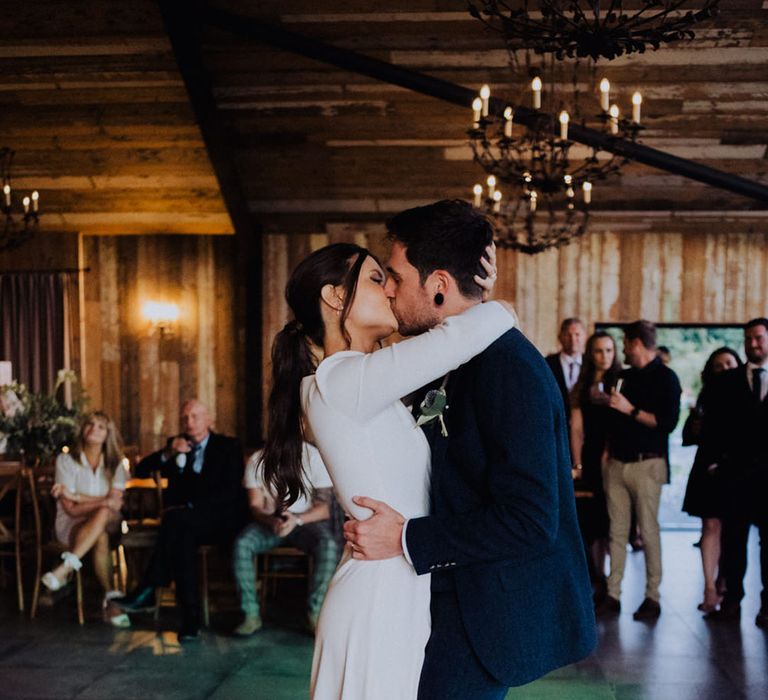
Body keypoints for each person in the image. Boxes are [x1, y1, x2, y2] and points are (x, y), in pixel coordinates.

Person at [340, 200, 596, 700]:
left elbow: (531, 519)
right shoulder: (449, 356)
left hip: (482, 615)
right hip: (443, 595)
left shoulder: (508, 368)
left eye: (394, 275)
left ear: (437, 283)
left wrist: (407, 538)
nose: (389, 289)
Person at [260, 228, 513, 699]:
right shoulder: (341, 381)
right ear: (336, 297)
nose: (392, 289)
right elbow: (474, 330)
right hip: (377, 594)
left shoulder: (363, 383)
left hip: (399, 581)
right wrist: (484, 298)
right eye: (378, 278)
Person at [117, 399, 247, 642]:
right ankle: (190, 619)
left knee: (177, 522)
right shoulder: (175, 445)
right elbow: (142, 470)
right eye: (185, 418)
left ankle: (149, 589)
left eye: (195, 416)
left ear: (209, 420)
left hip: (218, 521)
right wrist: (169, 453)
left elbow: (230, 492)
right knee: (182, 537)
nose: (189, 422)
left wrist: (192, 506)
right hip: (185, 525)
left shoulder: (228, 446)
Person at [597, 320, 681, 621]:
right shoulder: (622, 376)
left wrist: (628, 409)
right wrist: (606, 456)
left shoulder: (667, 378)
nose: (623, 350)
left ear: (636, 343)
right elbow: (611, 422)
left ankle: (652, 597)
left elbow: (667, 424)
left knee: (648, 531)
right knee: (616, 531)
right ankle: (613, 594)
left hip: (648, 464)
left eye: (625, 343)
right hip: (617, 463)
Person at [232, 442, 341, 636]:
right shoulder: (257, 459)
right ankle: (250, 615)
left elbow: (323, 510)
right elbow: (255, 506)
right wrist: (271, 520)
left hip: (306, 522)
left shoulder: (314, 457)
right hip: (271, 522)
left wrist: (296, 519)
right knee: (242, 544)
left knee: (329, 546)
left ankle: (315, 614)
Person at [704, 319, 768, 628]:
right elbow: (713, 426)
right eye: (748, 339)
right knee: (733, 540)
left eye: (758, 338)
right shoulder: (726, 382)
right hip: (735, 473)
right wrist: (715, 463)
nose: (753, 344)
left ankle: (767, 604)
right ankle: (732, 599)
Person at [41, 411, 129, 625]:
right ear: (82, 429)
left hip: (111, 524)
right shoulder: (66, 460)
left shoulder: (116, 462)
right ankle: (111, 600)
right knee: (100, 532)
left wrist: (77, 497)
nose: (94, 430)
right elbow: (71, 510)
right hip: (71, 525)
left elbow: (115, 504)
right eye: (90, 424)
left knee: (105, 515)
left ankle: (65, 569)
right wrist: (103, 501)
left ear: (108, 433)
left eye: (101, 426)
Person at [681, 347, 742, 613]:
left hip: (736, 466)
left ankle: (725, 581)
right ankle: (709, 587)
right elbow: (689, 434)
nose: (725, 369)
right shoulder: (707, 395)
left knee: (733, 529)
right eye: (719, 365)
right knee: (710, 526)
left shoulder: (747, 394)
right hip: (707, 466)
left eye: (730, 364)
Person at [570, 331, 622, 602]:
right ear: (592, 353)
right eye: (600, 351)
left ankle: (610, 582)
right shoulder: (582, 384)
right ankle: (595, 577)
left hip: (614, 455)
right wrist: (577, 464)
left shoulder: (621, 382)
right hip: (589, 458)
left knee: (610, 521)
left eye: (610, 350)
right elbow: (576, 429)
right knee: (590, 521)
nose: (605, 356)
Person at [545, 318, 586, 416]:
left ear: (585, 337)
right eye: (568, 335)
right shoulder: (547, 363)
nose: (573, 339)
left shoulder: (592, 363)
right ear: (560, 337)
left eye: (577, 334)